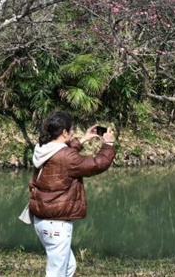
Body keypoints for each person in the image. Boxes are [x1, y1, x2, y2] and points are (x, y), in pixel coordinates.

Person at [28, 111, 116, 277]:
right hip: (56, 224)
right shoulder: (66, 156)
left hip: (42, 219)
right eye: (73, 130)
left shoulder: (43, 148)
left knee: (68, 267)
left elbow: (63, 154)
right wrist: (108, 145)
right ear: (64, 133)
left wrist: (83, 139)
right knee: (56, 273)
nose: (74, 132)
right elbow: (97, 164)